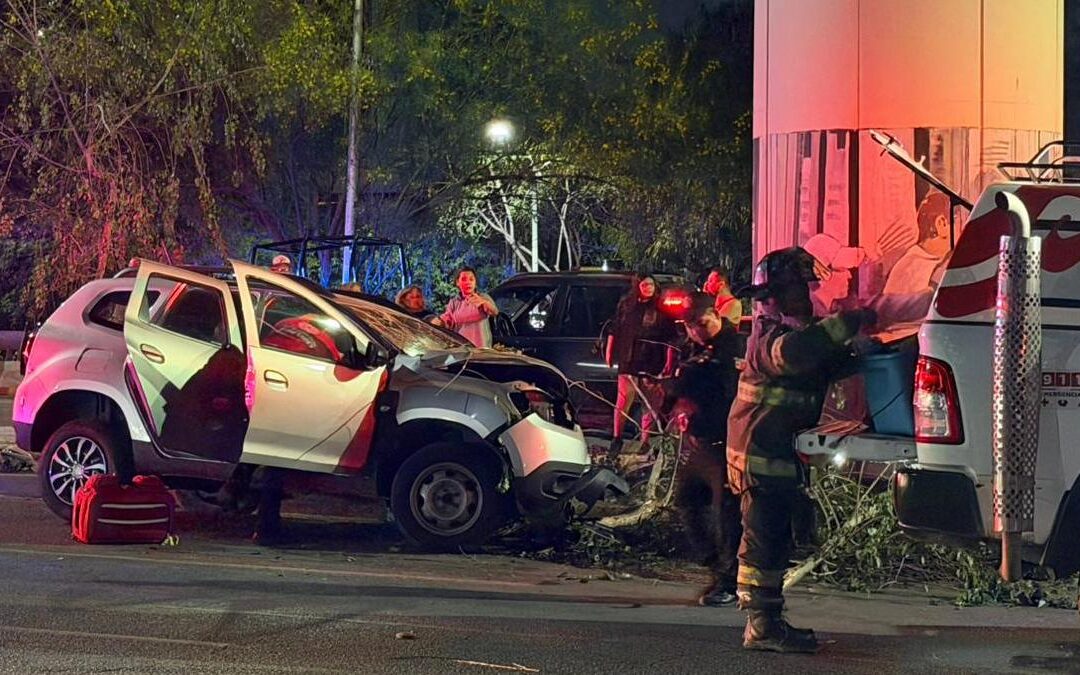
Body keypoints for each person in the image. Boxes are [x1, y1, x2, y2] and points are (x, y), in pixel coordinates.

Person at [727, 247, 876, 653]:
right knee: (763, 540)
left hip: (776, 453)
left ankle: (767, 622)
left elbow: (823, 362)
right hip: (759, 455)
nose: (807, 298)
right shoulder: (770, 338)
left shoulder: (790, 333)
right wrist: (849, 321)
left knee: (777, 538)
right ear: (774, 295)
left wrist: (865, 351)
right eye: (799, 290)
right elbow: (797, 354)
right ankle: (761, 626)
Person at [669, 293, 742, 607]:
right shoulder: (694, 349)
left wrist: (695, 376)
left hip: (728, 443)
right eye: (689, 326)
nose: (695, 331)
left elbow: (725, 390)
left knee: (728, 515)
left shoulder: (733, 348)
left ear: (716, 315)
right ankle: (715, 563)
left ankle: (730, 581)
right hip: (700, 442)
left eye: (700, 323)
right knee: (688, 503)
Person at [604, 273, 678, 456]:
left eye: (651, 285)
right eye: (644, 285)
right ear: (637, 286)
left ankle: (644, 441)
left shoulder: (660, 308)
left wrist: (669, 360)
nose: (648, 288)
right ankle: (617, 438)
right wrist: (609, 352)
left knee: (650, 403)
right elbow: (614, 328)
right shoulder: (627, 305)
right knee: (623, 400)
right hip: (628, 359)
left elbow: (670, 337)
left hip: (651, 361)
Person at [438, 267, 499, 348]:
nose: (468, 282)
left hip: (481, 349)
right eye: (464, 279)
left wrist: (484, 302)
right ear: (457, 282)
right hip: (461, 349)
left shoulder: (483, 297)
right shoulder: (454, 302)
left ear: (475, 282)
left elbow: (495, 312)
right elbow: (447, 320)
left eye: (471, 279)